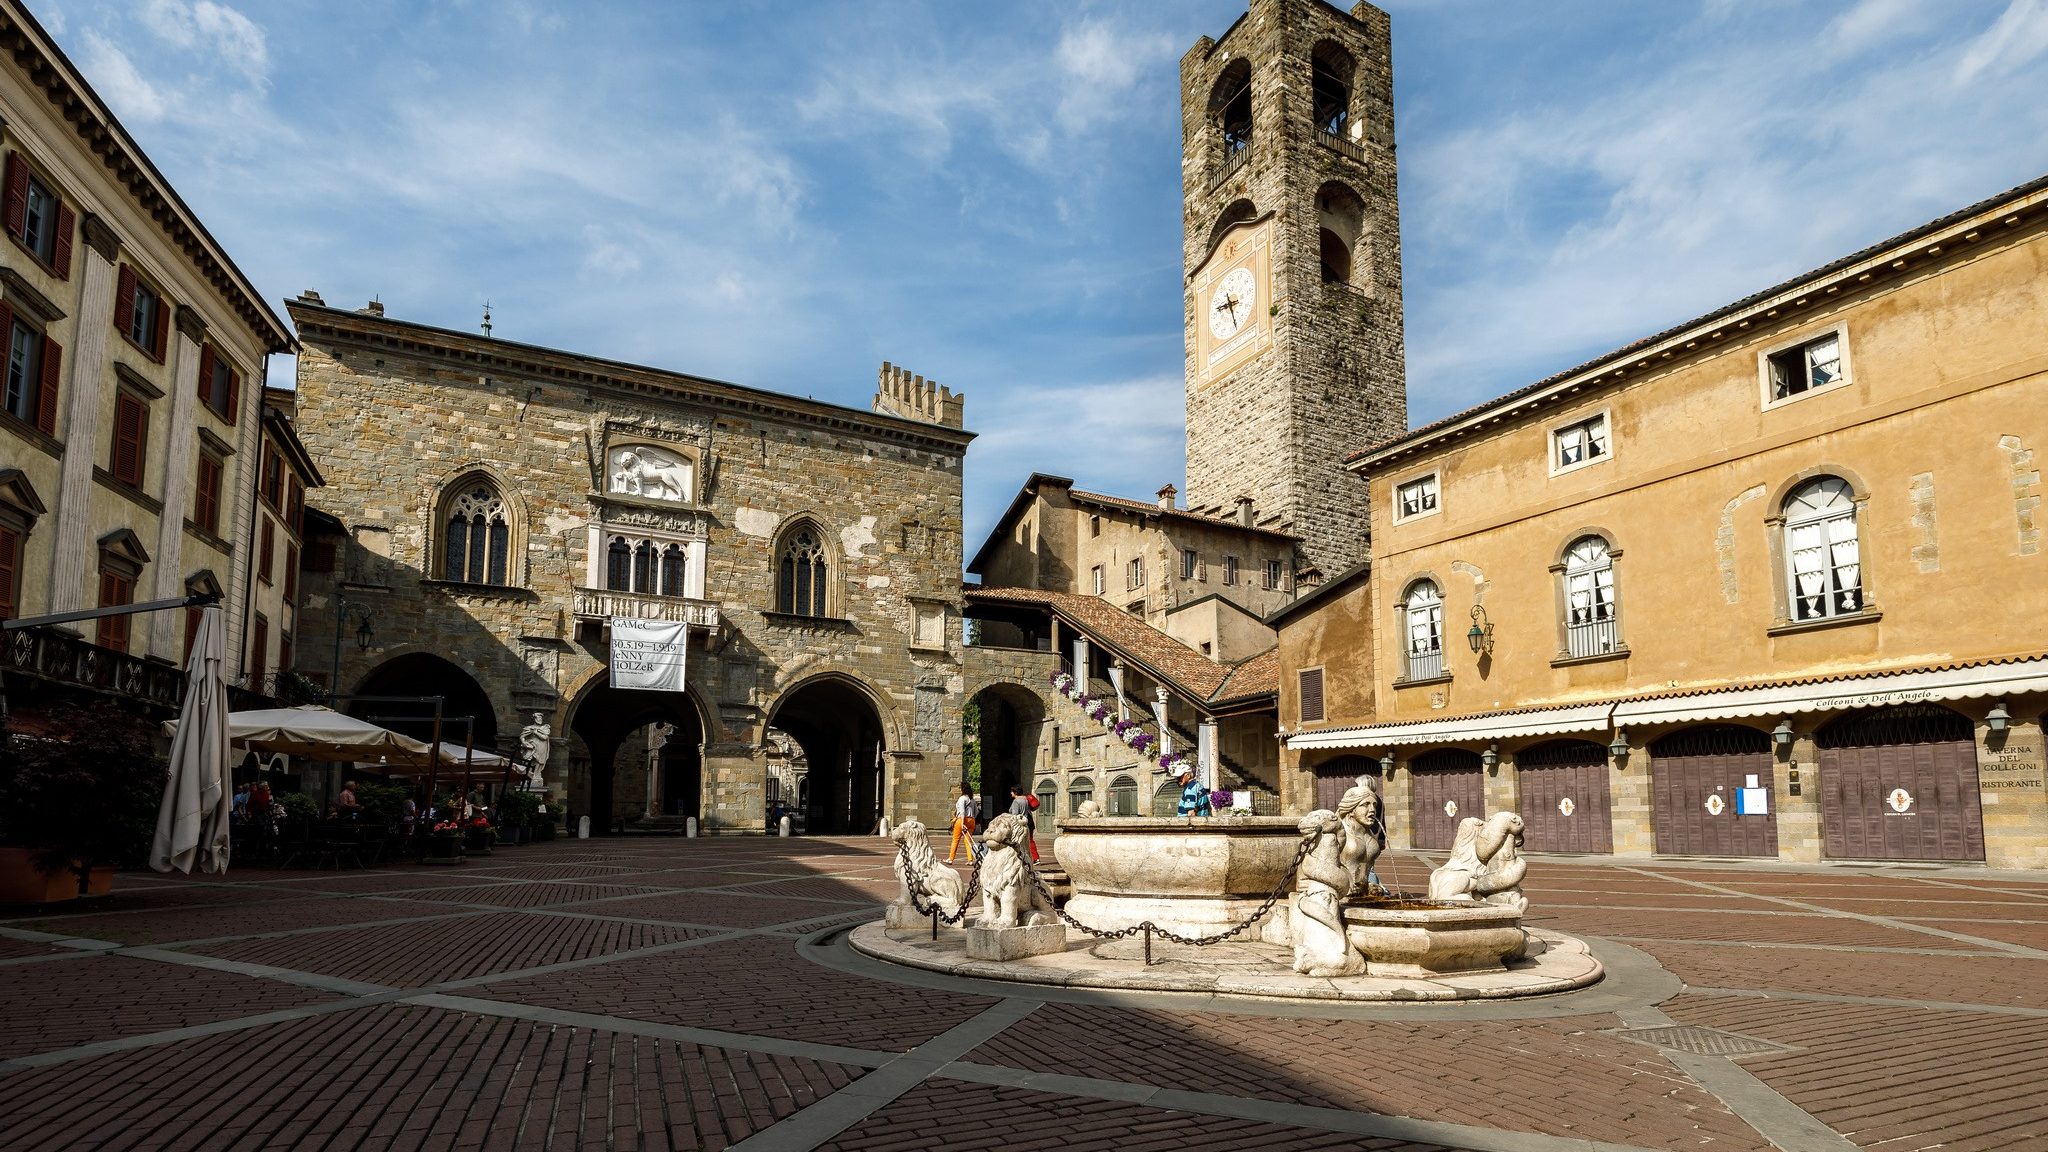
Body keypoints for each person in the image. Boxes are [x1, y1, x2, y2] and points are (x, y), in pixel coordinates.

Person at [947, 784, 978, 863]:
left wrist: (962, 822)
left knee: (955, 840)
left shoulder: (962, 798)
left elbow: (962, 811)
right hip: (971, 820)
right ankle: (970, 859)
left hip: (962, 820)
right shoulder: (972, 800)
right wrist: (972, 817)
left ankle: (951, 858)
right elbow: (976, 811)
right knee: (968, 841)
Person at [1007, 786, 1039, 862]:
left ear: (1015, 792)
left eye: (1012, 791)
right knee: (1030, 840)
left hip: (1021, 823)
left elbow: (1015, 814)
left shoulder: (1016, 801)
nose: (1010, 793)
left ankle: (1019, 858)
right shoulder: (1026, 799)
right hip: (1030, 821)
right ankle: (1035, 858)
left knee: (1018, 840)